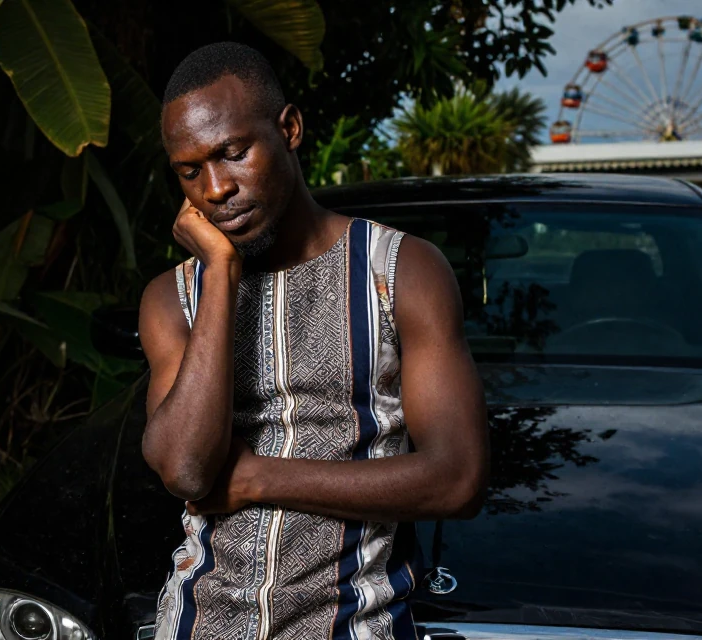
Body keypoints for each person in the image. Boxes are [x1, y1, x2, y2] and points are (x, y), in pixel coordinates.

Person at [138, 41, 489, 640]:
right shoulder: (173, 299)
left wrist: (257, 478)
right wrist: (220, 275)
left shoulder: (401, 272)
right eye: (190, 171)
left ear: (290, 128)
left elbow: (458, 478)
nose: (216, 189)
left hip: (354, 628)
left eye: (233, 153)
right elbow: (186, 471)